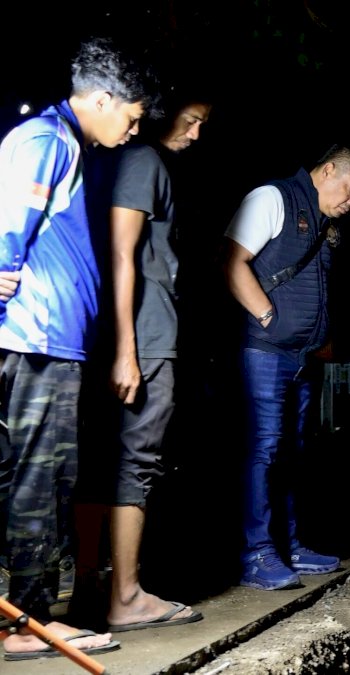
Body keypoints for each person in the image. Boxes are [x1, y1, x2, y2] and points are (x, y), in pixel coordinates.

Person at [0, 36, 159, 661]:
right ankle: (27, 624)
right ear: (100, 99)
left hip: (46, 339)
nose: (133, 128)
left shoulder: (63, 143)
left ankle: (23, 616)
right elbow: (11, 221)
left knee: (30, 479)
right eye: (132, 115)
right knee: (42, 479)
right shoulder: (47, 140)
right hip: (34, 340)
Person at [78, 77, 214, 633]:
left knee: (100, 461)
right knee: (137, 459)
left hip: (118, 331)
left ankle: (93, 587)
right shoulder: (144, 161)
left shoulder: (120, 158)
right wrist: (128, 351)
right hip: (145, 335)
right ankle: (127, 597)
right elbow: (121, 252)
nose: (198, 132)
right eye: (193, 117)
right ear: (162, 107)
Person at [223, 145, 350, 590]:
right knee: (264, 449)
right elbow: (231, 261)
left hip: (302, 357)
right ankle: (256, 554)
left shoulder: (326, 221)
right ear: (328, 171)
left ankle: (288, 546)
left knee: (292, 452)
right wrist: (269, 317)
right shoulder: (272, 198)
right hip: (266, 351)